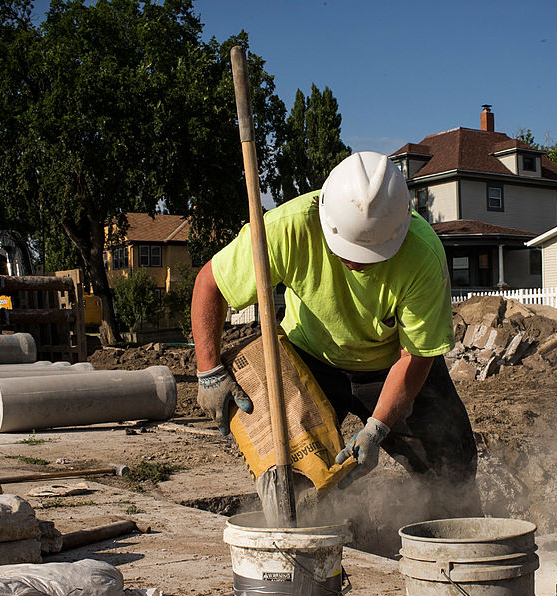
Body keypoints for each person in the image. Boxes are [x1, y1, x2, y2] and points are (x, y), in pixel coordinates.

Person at [192, 151, 479, 519]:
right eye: (349, 251)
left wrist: (377, 427)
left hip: (392, 364)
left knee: (450, 464)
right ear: (326, 222)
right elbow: (210, 284)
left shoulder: (422, 255)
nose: (357, 262)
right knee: (293, 477)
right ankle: (313, 554)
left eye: (371, 254)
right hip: (309, 359)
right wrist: (209, 370)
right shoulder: (287, 227)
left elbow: (416, 356)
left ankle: (457, 546)